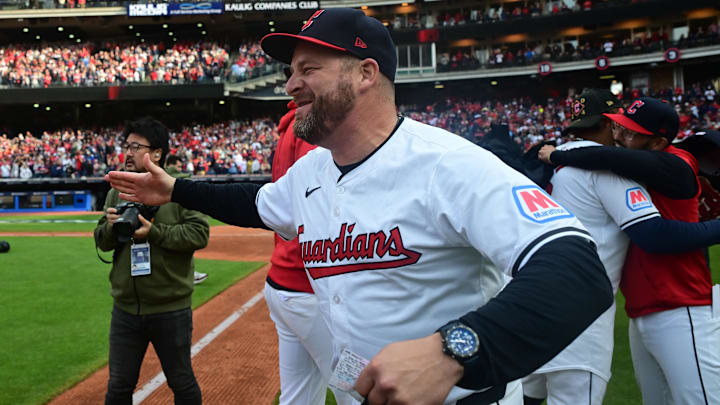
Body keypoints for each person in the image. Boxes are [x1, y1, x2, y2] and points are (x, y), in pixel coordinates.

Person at [106, 8, 613, 404]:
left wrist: (454, 351)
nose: (290, 85)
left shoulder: (447, 164)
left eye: (310, 69)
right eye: (291, 71)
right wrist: (175, 190)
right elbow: (256, 202)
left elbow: (576, 269)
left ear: (366, 73)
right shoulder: (312, 170)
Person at [525, 90, 720, 405]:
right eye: (618, 126)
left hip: (681, 302)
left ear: (658, 142)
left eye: (631, 131)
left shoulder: (674, 161)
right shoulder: (612, 166)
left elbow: (608, 159)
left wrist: (561, 153)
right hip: (626, 309)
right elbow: (607, 158)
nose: (620, 134)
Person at [95, 117, 210, 405]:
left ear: (157, 153)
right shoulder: (117, 187)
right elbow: (101, 240)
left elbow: (198, 234)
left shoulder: (179, 188)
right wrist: (109, 228)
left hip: (170, 308)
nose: (128, 152)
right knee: (119, 386)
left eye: (136, 146)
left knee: (181, 382)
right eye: (126, 146)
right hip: (125, 310)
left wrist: (154, 232)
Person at [265, 100, 353, 405]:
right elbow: (322, 205)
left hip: (284, 282)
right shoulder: (311, 126)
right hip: (309, 288)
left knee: (298, 397)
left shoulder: (291, 125)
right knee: (359, 391)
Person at [166, 154, 209, 285]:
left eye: (180, 167)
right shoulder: (179, 181)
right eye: (177, 166)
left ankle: (189, 273)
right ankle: (189, 274)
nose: (179, 169)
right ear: (169, 165)